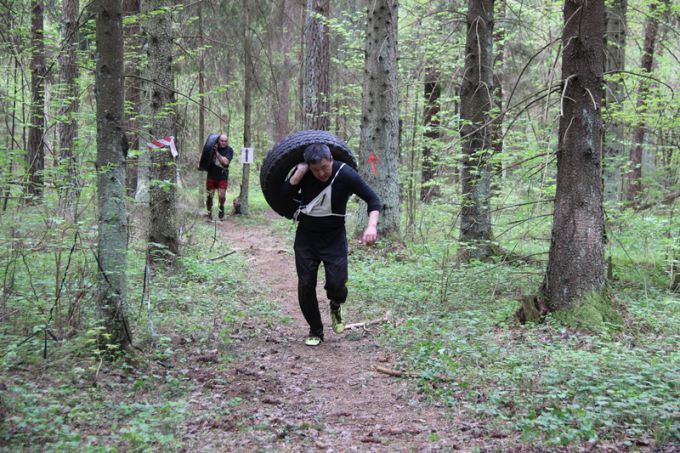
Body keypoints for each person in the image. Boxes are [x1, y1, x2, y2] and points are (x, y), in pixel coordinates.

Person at [282, 143, 380, 346]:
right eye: (315, 169)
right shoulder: (305, 173)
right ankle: (315, 331)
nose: (320, 173)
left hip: (334, 237)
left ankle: (335, 305)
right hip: (306, 238)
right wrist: (300, 171)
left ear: (331, 160)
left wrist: (371, 227)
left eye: (324, 167)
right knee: (306, 283)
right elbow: (283, 197)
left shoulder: (345, 173)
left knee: (337, 284)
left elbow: (373, 199)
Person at [206, 134, 234, 220]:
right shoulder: (212, 147)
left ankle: (221, 206)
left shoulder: (229, 150)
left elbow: (225, 162)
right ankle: (209, 213)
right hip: (211, 175)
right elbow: (204, 157)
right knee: (209, 196)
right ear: (218, 140)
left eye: (225, 141)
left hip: (222, 176)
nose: (223, 143)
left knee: (221, 196)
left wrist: (217, 153)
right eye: (222, 141)